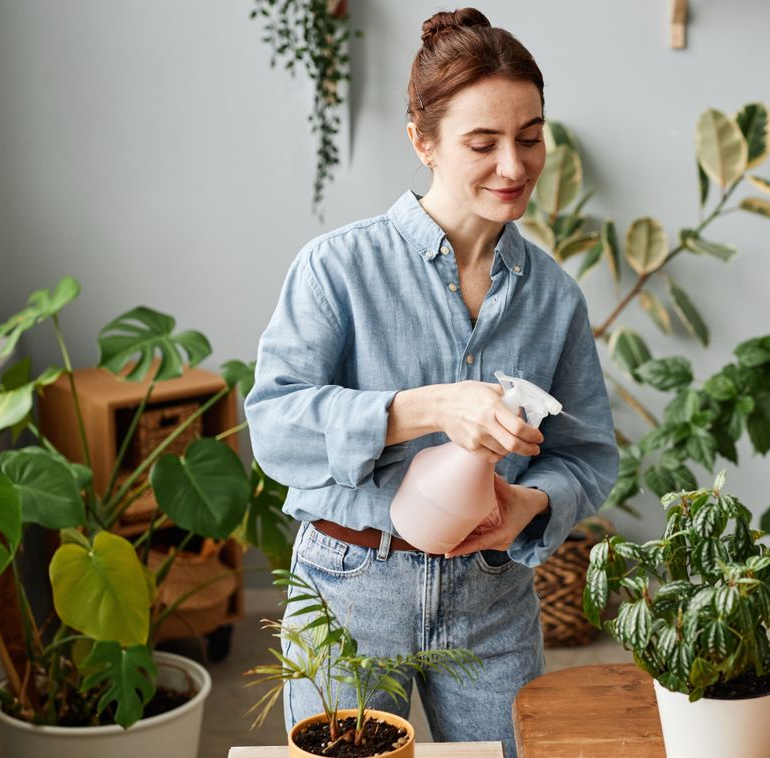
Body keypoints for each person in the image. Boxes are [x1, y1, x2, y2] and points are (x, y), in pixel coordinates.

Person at [244, 8, 618, 756]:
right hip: (348, 585)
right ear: (423, 142)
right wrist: (427, 409)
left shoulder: (552, 296)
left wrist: (531, 504)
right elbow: (275, 427)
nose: (514, 167)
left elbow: (587, 453)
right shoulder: (338, 268)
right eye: (482, 143)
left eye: (530, 136)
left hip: (491, 591)